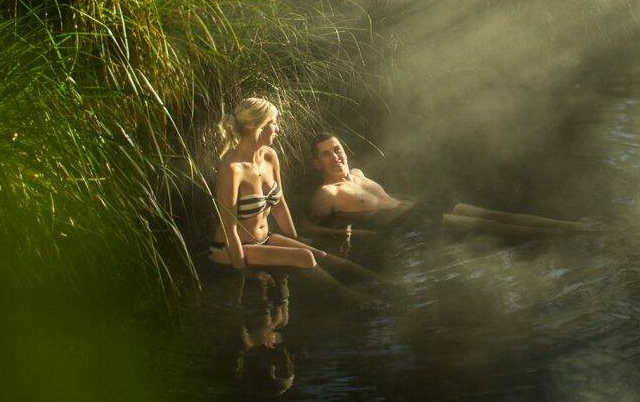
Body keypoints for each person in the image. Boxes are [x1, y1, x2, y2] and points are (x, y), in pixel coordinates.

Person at [208, 98, 383, 299]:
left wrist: (294, 239)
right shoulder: (231, 169)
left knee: (321, 255)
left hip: (264, 240)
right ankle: (358, 299)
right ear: (255, 126)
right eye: (273, 123)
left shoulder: (270, 156)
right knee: (305, 257)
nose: (277, 129)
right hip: (229, 250)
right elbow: (229, 229)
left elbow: (279, 206)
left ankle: (384, 283)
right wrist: (243, 272)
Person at [304, 133, 598, 240]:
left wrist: (415, 199)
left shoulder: (357, 172)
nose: (335, 156)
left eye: (337, 149)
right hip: (409, 222)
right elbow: (309, 228)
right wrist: (360, 234)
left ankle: (573, 226)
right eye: (326, 154)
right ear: (316, 163)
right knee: (488, 225)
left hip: (418, 207)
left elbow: (389, 197)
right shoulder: (327, 194)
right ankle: (563, 236)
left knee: (492, 214)